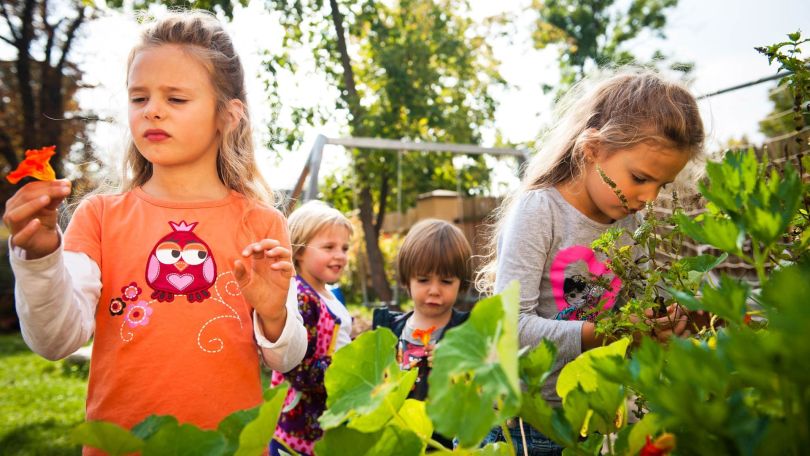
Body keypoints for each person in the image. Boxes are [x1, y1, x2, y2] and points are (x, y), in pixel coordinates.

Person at [3, 11, 307, 451]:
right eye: (139, 98)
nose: (153, 111)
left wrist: (274, 313)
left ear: (228, 115)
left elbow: (288, 356)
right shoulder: (100, 217)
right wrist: (39, 259)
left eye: (176, 99)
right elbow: (55, 340)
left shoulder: (260, 223)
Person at [476, 69, 704, 455]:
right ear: (592, 148)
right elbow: (509, 327)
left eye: (662, 186)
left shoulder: (633, 222)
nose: (649, 197)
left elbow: (639, 312)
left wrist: (665, 324)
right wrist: (602, 333)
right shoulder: (540, 210)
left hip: (599, 417)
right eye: (639, 177)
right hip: (529, 425)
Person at [373, 219, 472, 448]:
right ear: (407, 280)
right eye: (424, 280)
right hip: (397, 441)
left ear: (461, 284)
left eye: (446, 281)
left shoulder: (467, 332)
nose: (434, 290)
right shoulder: (388, 330)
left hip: (448, 446)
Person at [270, 200, 354, 456]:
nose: (339, 255)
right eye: (329, 247)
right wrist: (345, 369)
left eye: (344, 247)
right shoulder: (301, 298)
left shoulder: (328, 293)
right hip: (300, 424)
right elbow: (299, 367)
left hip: (325, 413)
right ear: (299, 251)